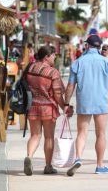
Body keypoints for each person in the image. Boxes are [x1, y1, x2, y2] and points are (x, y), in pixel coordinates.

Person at [64, 34, 108, 176]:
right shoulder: (107, 62)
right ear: (99, 47)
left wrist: (66, 103)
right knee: (101, 134)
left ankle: (78, 158)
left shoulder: (78, 62)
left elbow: (70, 85)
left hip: (84, 101)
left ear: (87, 45)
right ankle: (100, 166)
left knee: (82, 133)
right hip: (101, 101)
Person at [23, 46, 73, 176]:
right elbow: (57, 94)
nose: (55, 57)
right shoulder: (52, 72)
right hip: (48, 108)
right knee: (48, 137)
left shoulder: (30, 67)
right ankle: (48, 166)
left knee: (34, 135)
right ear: (46, 57)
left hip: (32, 106)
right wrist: (65, 107)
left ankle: (29, 156)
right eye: (53, 55)